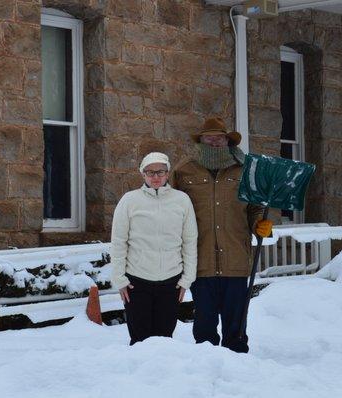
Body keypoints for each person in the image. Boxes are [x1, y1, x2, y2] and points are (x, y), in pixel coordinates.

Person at [171, 117, 273, 353]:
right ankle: (206, 363)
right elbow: (172, 208)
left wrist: (260, 223)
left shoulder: (245, 168)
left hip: (235, 258)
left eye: (220, 137)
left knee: (235, 322)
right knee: (204, 321)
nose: (215, 142)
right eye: (210, 137)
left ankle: (238, 362)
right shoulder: (184, 169)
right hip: (200, 259)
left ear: (228, 140)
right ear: (201, 140)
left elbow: (256, 207)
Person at [111, 152, 198, 345]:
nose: (156, 177)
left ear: (167, 174)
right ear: (143, 174)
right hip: (136, 282)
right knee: (139, 339)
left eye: (160, 172)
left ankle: (162, 375)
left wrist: (186, 280)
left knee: (164, 339)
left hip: (171, 282)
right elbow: (118, 242)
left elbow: (190, 242)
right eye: (150, 172)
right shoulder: (129, 201)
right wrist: (120, 279)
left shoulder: (182, 200)